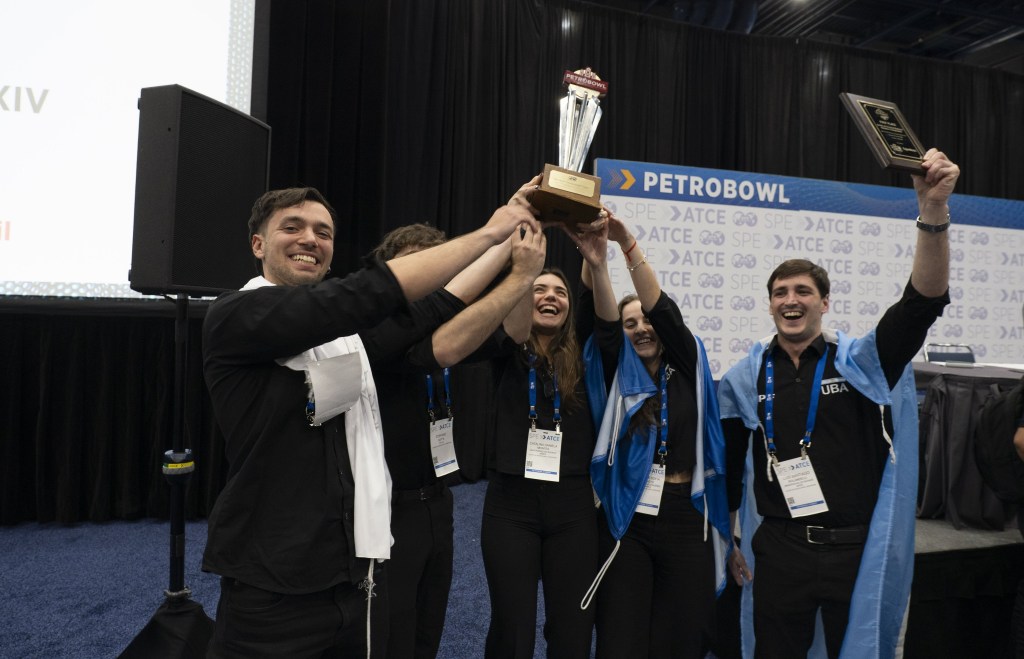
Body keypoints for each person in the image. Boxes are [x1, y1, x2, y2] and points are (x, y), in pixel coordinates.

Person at [201, 186, 538, 658]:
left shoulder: (346, 340)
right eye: (292, 227)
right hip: (273, 582)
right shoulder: (235, 314)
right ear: (258, 245)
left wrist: (511, 240)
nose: (310, 239)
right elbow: (369, 295)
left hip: (355, 573)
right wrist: (488, 233)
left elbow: (430, 308)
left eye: (323, 232)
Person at [718, 148, 960, 658]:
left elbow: (923, 303)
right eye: (780, 291)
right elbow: (728, 467)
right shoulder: (746, 375)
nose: (790, 299)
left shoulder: (863, 363)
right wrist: (729, 540)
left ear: (824, 303)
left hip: (852, 550)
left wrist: (933, 212)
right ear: (769, 304)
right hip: (779, 550)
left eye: (803, 290)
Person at [361, 210, 547, 659]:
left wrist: (526, 279)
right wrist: (514, 268)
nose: (429, 275)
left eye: (436, 263)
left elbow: (516, 331)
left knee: (429, 627)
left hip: (437, 501)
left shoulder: (448, 327)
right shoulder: (376, 330)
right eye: (414, 264)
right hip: (387, 509)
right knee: (391, 632)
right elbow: (443, 349)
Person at [571, 214, 731, 658]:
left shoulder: (687, 360)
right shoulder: (614, 372)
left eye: (646, 320)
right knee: (621, 635)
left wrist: (626, 243)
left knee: (682, 636)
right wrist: (597, 263)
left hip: (685, 513)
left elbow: (662, 310)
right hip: (629, 516)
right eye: (630, 324)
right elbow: (600, 322)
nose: (641, 328)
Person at [478, 250, 605, 657]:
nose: (550, 297)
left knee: (572, 627)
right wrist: (524, 271)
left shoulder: (585, 350)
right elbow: (512, 324)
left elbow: (594, 303)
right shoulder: (507, 346)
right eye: (539, 290)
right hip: (510, 505)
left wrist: (595, 258)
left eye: (560, 292)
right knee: (512, 627)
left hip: (573, 508)